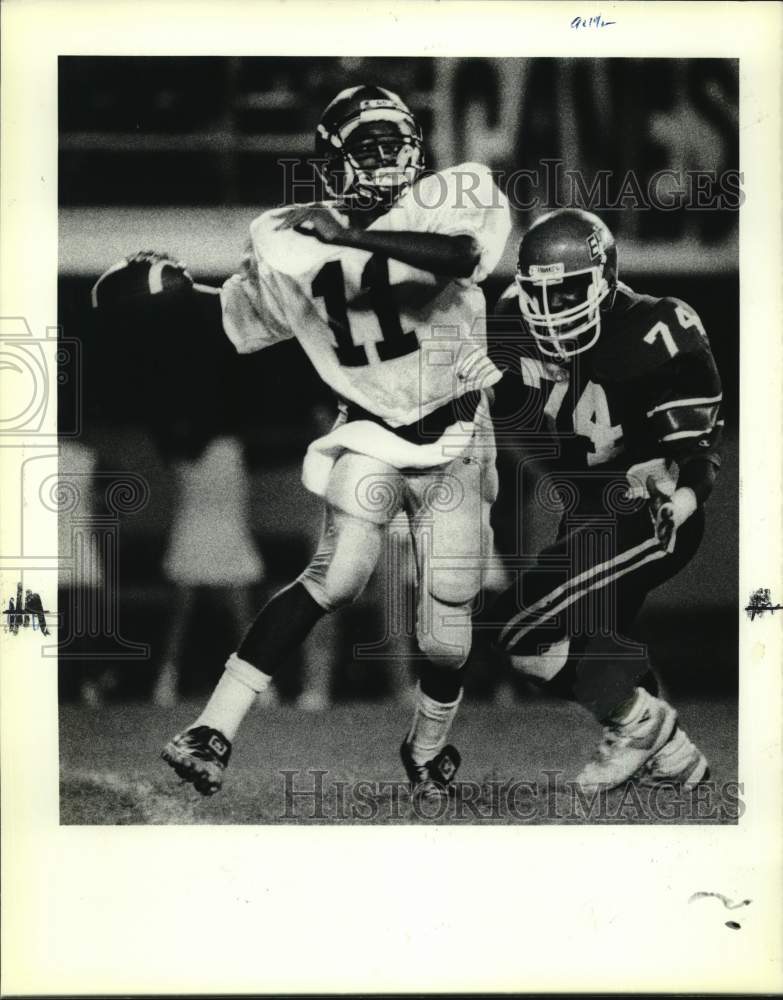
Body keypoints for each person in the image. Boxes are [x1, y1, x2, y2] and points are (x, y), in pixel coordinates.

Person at [93, 85, 511, 796]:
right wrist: (174, 292)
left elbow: (459, 256)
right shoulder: (287, 236)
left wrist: (349, 236)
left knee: (445, 618)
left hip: (457, 429)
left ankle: (426, 746)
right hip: (371, 429)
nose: (383, 158)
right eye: (366, 146)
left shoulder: (455, 192)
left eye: (392, 143)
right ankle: (212, 729)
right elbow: (241, 319)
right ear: (332, 162)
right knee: (336, 575)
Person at [484, 207, 722, 791]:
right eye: (540, 295)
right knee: (587, 650)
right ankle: (675, 758)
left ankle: (645, 726)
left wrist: (683, 498)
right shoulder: (511, 319)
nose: (553, 311)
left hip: (645, 511)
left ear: (605, 279)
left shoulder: (658, 328)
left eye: (568, 294)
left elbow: (697, 450)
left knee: (523, 630)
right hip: (586, 517)